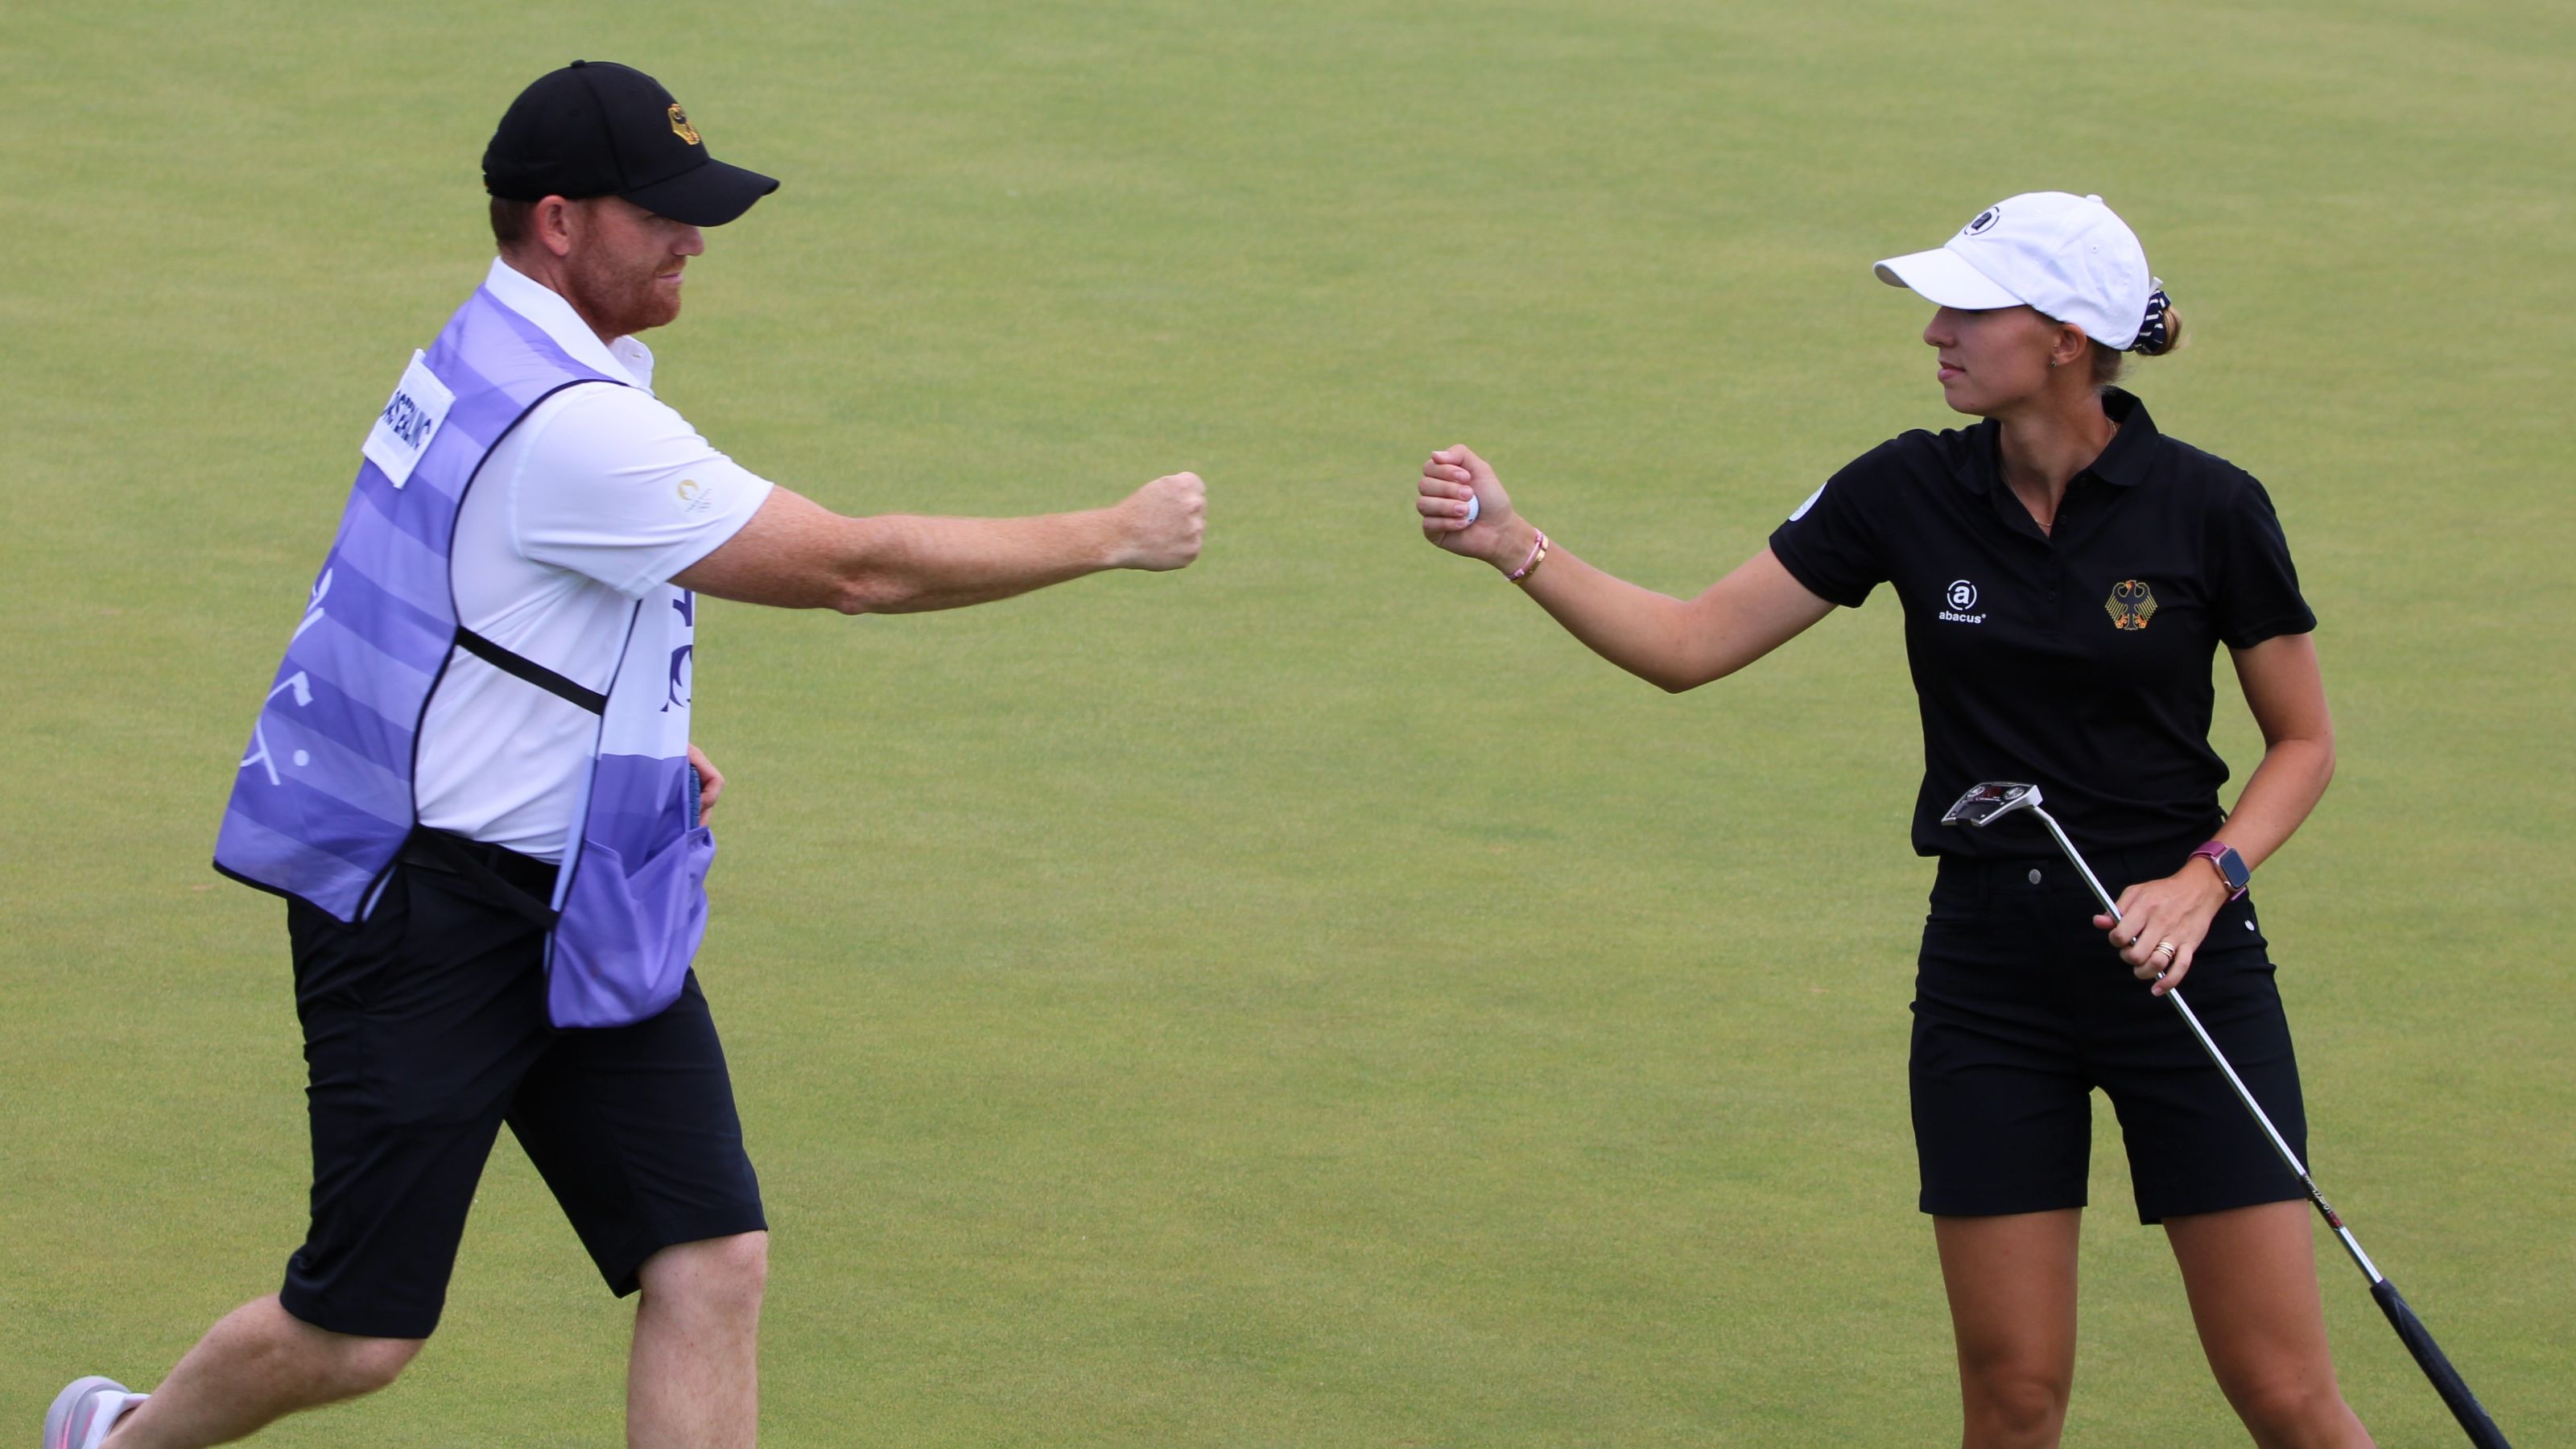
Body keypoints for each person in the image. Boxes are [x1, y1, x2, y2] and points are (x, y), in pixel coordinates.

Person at [47, 60, 1203, 1449]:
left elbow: (439, 599)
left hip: (580, 889)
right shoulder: (572, 422)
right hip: (425, 918)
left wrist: (621, 740)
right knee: (356, 1337)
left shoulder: (486, 350)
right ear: (555, 221)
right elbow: (857, 569)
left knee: (712, 1261)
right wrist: (1115, 534)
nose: (692, 238)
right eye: (656, 212)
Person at [1413, 192, 2372, 1448]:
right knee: (2013, 1396)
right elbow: (1692, 645)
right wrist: (1515, 545)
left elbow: (2303, 743)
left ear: (2067, 337)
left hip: (2183, 975)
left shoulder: (2209, 506)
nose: (1934, 329)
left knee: (2284, 1395)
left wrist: (2207, 879)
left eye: (1971, 308)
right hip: (1990, 976)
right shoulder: (1905, 489)